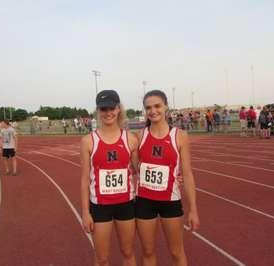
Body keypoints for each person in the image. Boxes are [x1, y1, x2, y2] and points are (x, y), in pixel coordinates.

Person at [135, 90, 200, 266]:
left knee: (176, 251)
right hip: (144, 201)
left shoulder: (180, 136)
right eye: (148, 107)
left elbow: (187, 173)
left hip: (170, 201)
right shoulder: (139, 136)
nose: (153, 111)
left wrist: (193, 209)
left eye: (157, 106)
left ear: (166, 107)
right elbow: (133, 168)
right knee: (148, 252)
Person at [80, 90, 138, 266]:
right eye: (103, 109)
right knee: (102, 258)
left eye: (112, 108)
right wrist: (85, 211)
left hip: (125, 204)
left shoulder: (131, 139)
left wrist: (175, 176)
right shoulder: (88, 141)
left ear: (119, 109)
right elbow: (84, 178)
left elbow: (140, 170)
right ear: (98, 111)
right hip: (100, 206)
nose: (108, 113)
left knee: (128, 253)